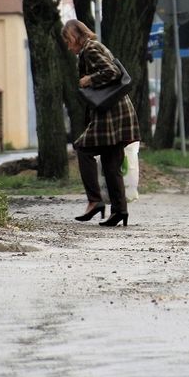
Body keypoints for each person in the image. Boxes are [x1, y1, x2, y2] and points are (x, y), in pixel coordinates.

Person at [62, 19, 140, 227]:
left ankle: (95, 201)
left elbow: (112, 73)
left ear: (76, 36)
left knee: (83, 149)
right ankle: (119, 211)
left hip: (111, 113)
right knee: (110, 162)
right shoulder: (92, 48)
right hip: (118, 109)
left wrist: (90, 80)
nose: (69, 48)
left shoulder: (90, 48)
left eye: (69, 42)